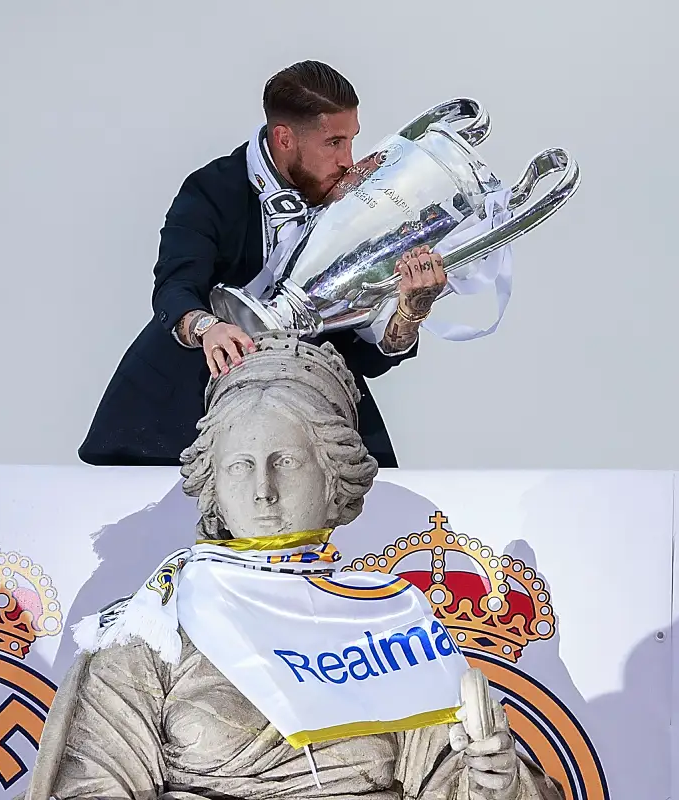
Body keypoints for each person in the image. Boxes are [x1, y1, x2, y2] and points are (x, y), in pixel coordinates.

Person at [27, 333, 561, 800]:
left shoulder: (388, 623)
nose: (264, 491)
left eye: (286, 461)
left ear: (335, 481)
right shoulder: (154, 627)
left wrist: (495, 781)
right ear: (212, 484)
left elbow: (453, 782)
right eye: (240, 465)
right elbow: (90, 786)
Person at [78, 60, 447, 469]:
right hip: (180, 415)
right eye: (334, 143)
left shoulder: (354, 200)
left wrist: (411, 311)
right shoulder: (212, 189)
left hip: (308, 412)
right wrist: (208, 328)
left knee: (374, 511)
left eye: (351, 141)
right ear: (284, 137)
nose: (348, 161)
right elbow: (174, 287)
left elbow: (368, 357)